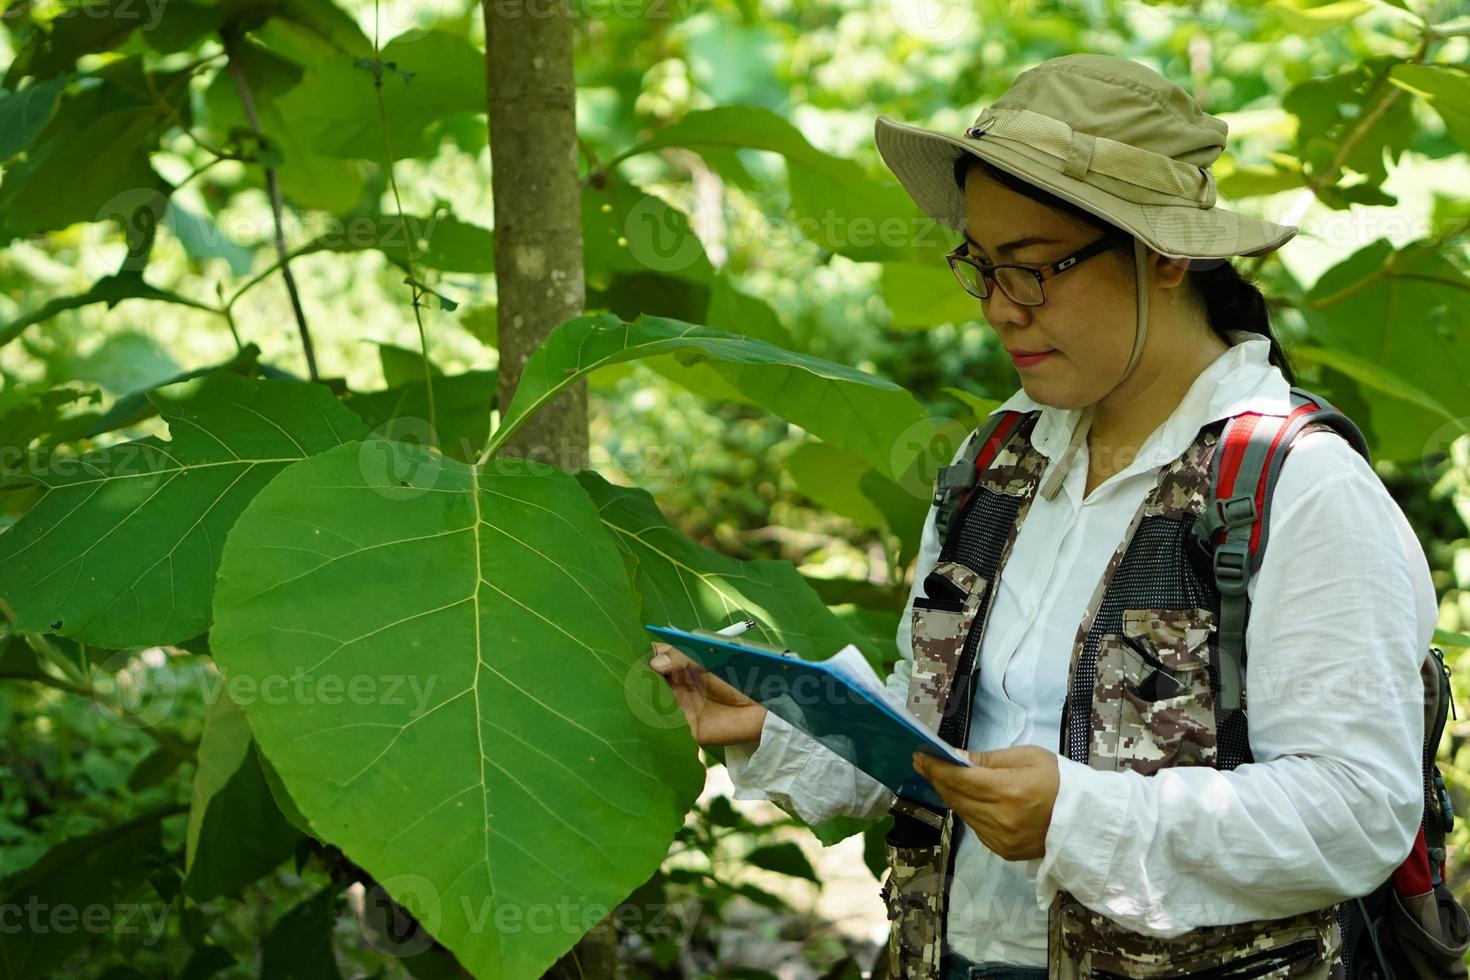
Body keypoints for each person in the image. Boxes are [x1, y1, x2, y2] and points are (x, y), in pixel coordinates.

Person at [648, 53, 1437, 980]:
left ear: (1166, 253)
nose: (997, 310)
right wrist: (783, 722)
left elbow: (1357, 812)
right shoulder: (1000, 460)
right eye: (979, 267)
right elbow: (940, 735)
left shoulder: (1293, 487)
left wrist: (1081, 815)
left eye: (1032, 270)